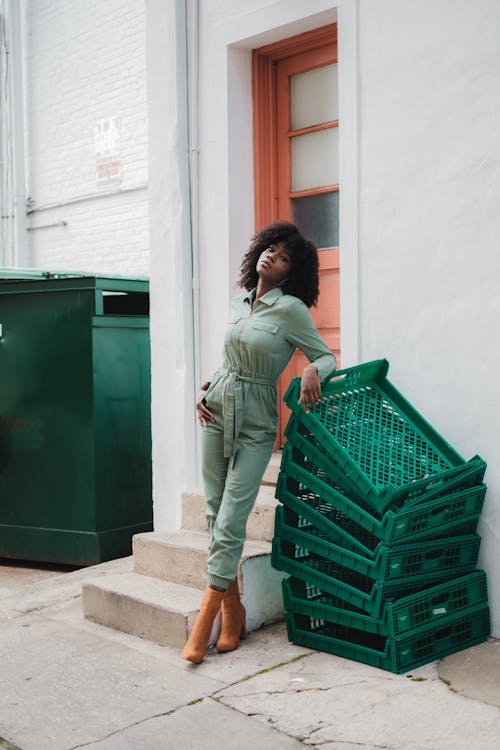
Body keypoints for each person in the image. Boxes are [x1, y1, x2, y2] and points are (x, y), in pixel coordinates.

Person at [181, 220, 336, 664]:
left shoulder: (290, 310)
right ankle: (234, 612)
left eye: (283, 255)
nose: (272, 255)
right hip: (216, 409)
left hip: (256, 420)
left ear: (291, 272)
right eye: (270, 247)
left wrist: (311, 370)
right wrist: (205, 386)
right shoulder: (238, 303)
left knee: (231, 516)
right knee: (213, 511)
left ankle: (204, 620)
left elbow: (325, 355)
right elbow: (230, 354)